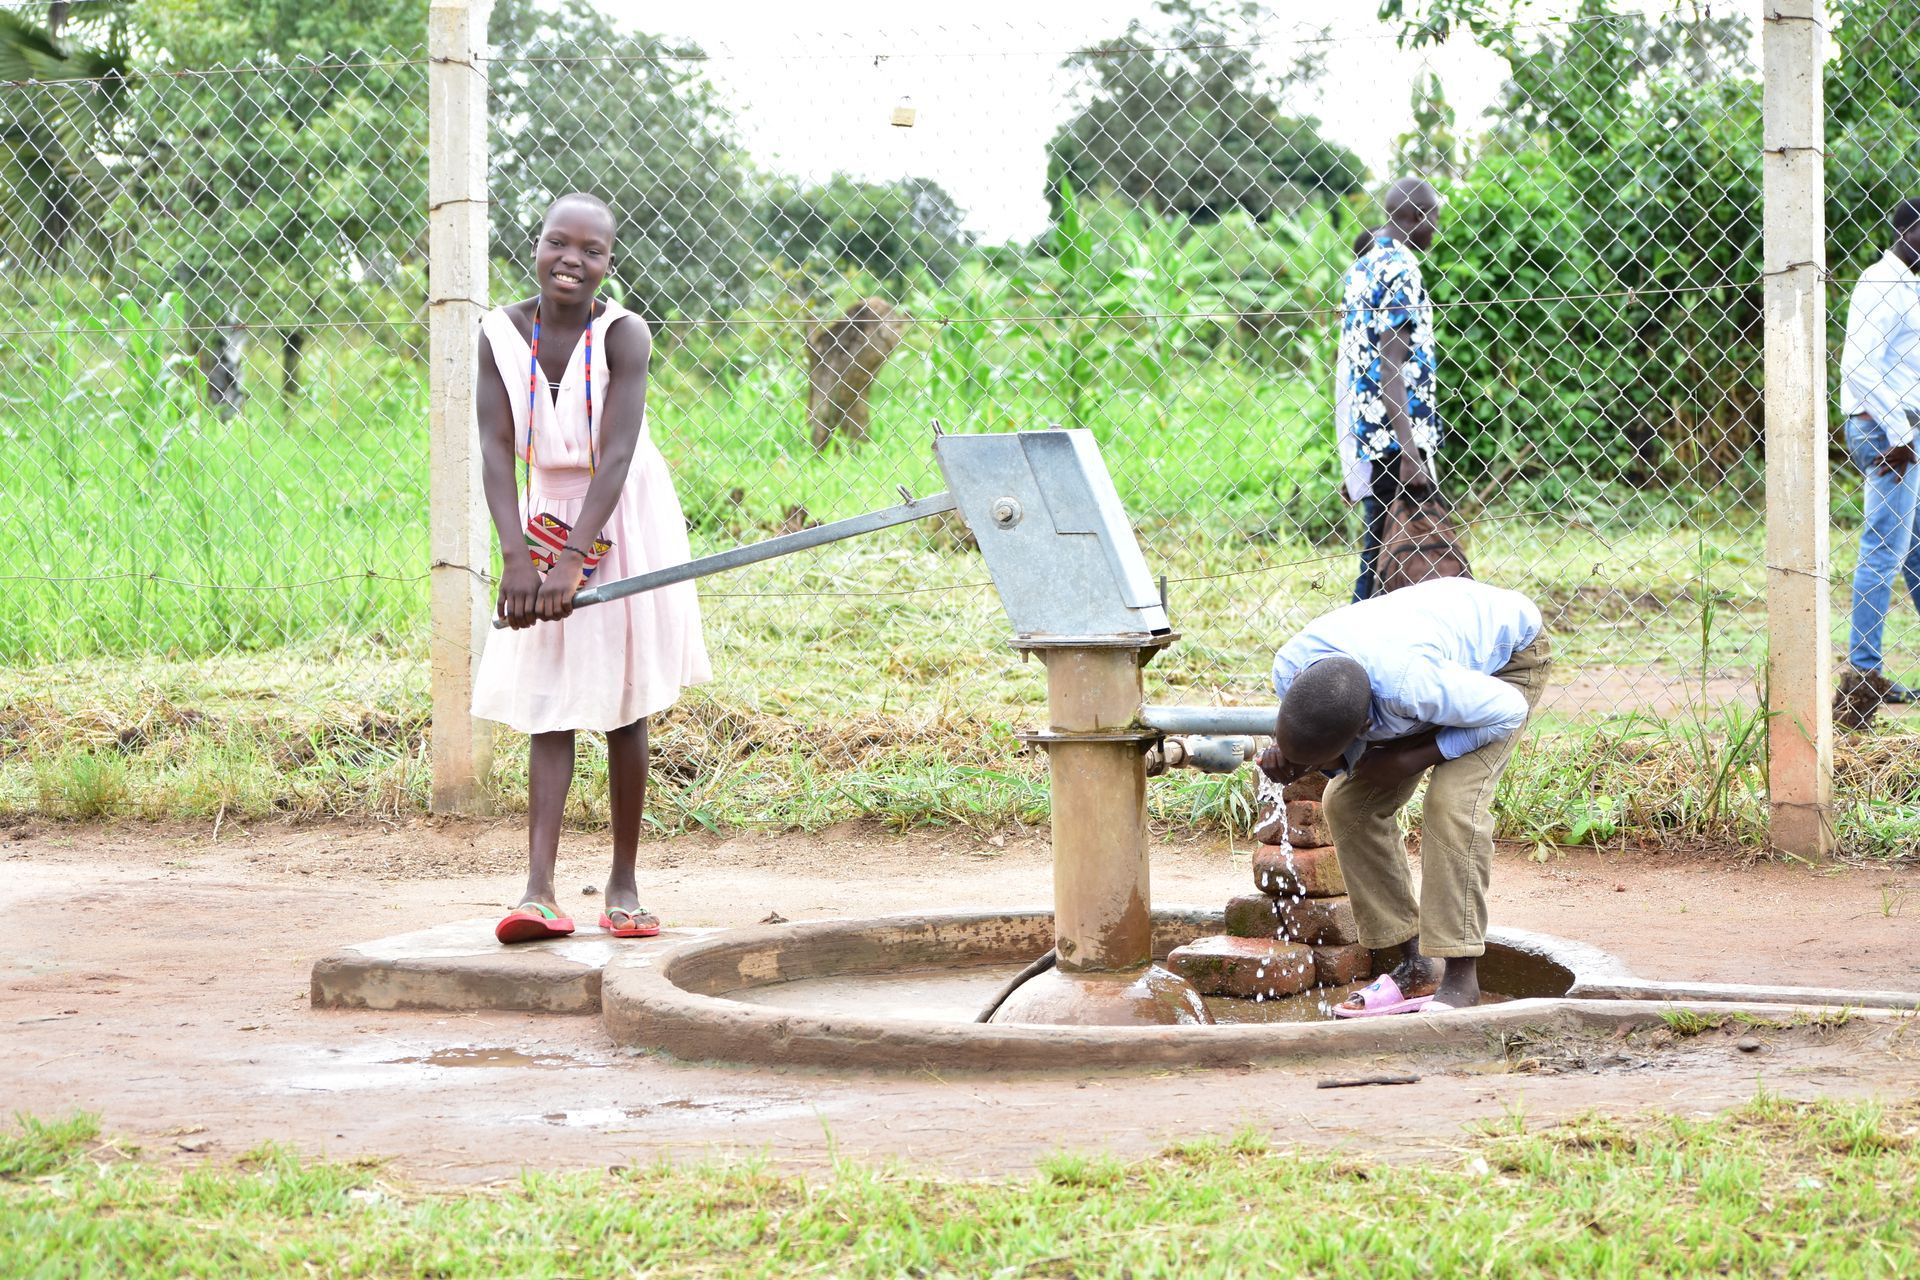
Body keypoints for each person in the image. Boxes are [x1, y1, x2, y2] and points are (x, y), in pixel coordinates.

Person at [472, 192, 711, 945]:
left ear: (610, 262)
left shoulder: (623, 335)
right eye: (557, 243)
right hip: (544, 510)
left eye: (592, 250)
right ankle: (538, 893)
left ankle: (623, 881)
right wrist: (517, 557)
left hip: (620, 512)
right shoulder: (499, 334)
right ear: (534, 246)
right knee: (548, 699)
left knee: (621, 700)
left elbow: (616, 456)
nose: (571, 259)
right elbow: (494, 450)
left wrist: (575, 558)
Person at [1256, 577, 1549, 1015]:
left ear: (1363, 729)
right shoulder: (1291, 670)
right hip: (1430, 663)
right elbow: (1318, 737)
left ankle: (1460, 977)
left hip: (1505, 669)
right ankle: (1415, 965)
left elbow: (1508, 711)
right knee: (1348, 803)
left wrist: (1413, 757)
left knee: (1452, 806)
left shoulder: (1412, 688)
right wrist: (1295, 759)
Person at [1834, 197, 1920, 727]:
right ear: (1913, 232)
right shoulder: (1882, 282)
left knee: (1915, 554)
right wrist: (1900, 431)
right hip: (1888, 431)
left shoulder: (1910, 285)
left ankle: (1870, 675)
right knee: (1883, 551)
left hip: (1905, 428)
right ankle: (1862, 680)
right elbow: (1859, 366)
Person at [1338, 178, 1444, 601]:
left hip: (1372, 433)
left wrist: (1352, 453)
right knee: (1388, 559)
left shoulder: (1363, 266)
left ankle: (1357, 649)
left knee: (1385, 553)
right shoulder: (1402, 269)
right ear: (1416, 216)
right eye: (1434, 216)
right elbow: (1388, 364)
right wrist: (1411, 453)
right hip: (1398, 441)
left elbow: (1349, 363)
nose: (1437, 227)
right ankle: (1348, 652)